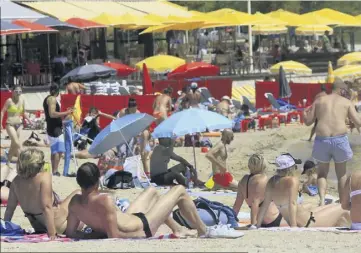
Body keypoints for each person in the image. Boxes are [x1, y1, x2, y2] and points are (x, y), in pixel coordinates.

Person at [65, 162, 244, 239]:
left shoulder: (74, 202)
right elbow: (114, 237)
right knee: (180, 190)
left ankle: (178, 229)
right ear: (97, 181)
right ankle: (204, 231)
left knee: (152, 191)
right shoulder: (104, 200)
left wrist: (94, 232)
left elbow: (72, 233)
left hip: (129, 218)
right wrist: (100, 232)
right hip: (142, 226)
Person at [303, 77, 361, 205]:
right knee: (341, 174)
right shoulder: (346, 102)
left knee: (322, 172)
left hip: (322, 139)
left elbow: (308, 122)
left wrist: (303, 114)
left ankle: (322, 200)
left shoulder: (319, 100)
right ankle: (343, 201)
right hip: (339, 139)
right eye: (345, 91)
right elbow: (359, 122)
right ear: (341, 90)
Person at [4, 149, 81, 239]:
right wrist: (52, 234)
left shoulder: (15, 181)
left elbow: (9, 209)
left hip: (38, 227)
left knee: (65, 201)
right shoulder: (44, 176)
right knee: (79, 193)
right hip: (58, 225)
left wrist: (5, 229)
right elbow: (47, 207)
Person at [256, 154, 350, 228]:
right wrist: (293, 226)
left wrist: (257, 225)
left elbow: (265, 205)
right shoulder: (292, 180)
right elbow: (292, 204)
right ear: (291, 168)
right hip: (309, 222)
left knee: (333, 205)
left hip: (307, 217)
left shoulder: (271, 181)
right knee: (342, 207)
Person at [233, 154, 287, 228]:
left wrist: (231, 219)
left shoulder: (243, 180)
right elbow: (255, 202)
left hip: (261, 220)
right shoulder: (262, 179)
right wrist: (253, 224)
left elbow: (237, 204)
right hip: (272, 218)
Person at [43, 84, 74, 176]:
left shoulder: (48, 99)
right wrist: (67, 112)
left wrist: (64, 113)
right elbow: (52, 114)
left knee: (55, 150)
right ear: (58, 91)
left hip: (52, 127)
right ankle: (55, 171)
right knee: (58, 150)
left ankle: (54, 171)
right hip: (55, 128)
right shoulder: (52, 99)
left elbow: (52, 114)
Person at [0, 86, 31, 167]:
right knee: (17, 143)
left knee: (13, 145)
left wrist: (30, 121)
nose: (18, 93)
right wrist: (0, 124)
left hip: (18, 125)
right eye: (16, 91)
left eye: (20, 91)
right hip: (9, 125)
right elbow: (2, 112)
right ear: (13, 92)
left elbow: (24, 113)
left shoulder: (22, 100)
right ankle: (25, 158)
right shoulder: (9, 101)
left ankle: (8, 162)